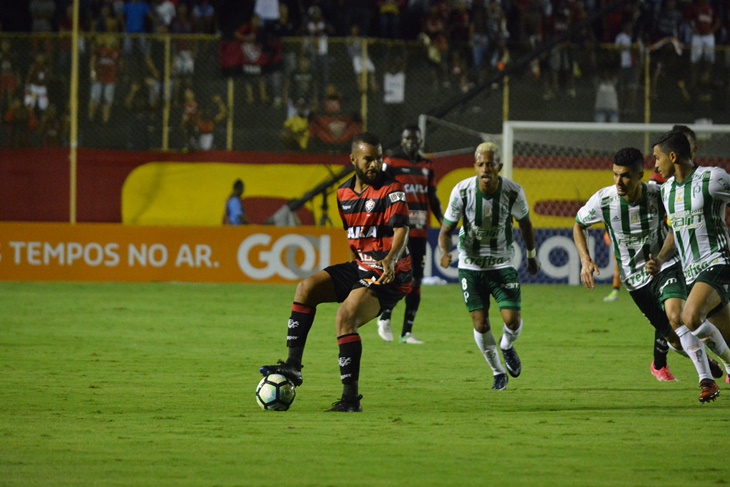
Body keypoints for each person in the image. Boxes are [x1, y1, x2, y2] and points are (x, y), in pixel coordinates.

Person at [260, 132, 413, 412]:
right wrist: (353, 273)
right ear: (353, 159)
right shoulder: (342, 194)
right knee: (306, 288)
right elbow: (354, 236)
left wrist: (391, 259)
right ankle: (293, 366)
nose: (375, 165)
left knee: (345, 317)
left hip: (391, 274)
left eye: (379, 159)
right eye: (369, 159)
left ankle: (350, 400)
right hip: (361, 266)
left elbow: (402, 229)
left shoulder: (393, 190)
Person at [574, 147, 723, 399]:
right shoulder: (604, 200)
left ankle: (706, 381)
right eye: (615, 175)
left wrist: (662, 257)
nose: (619, 182)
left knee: (677, 315)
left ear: (640, 175)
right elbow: (578, 224)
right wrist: (585, 260)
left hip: (664, 268)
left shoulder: (659, 195)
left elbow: (677, 226)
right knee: (675, 341)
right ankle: (707, 363)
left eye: (625, 176)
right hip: (635, 283)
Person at [437, 142, 540, 390]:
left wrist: (531, 254)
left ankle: (506, 345)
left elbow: (526, 225)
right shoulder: (462, 192)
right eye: (481, 164)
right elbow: (446, 230)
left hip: (502, 262)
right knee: (480, 323)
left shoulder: (513, 192)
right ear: (475, 166)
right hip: (471, 266)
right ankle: (497, 372)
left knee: (512, 320)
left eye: (490, 164)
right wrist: (444, 251)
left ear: (499, 167)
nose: (485, 169)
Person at [649, 130, 730, 386]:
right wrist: (661, 258)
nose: (654, 164)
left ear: (672, 156)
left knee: (690, 317)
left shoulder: (713, 178)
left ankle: (719, 372)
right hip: (692, 272)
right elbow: (676, 230)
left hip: (717, 261)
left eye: (657, 158)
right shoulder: (667, 191)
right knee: (725, 336)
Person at [376, 125, 443, 345]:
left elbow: (432, 197)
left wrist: (444, 223)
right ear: (402, 141)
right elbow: (378, 192)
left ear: (420, 141)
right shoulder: (392, 163)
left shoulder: (427, 166)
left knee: (416, 281)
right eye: (407, 138)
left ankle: (406, 333)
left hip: (419, 231)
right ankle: (385, 316)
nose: (412, 142)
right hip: (396, 230)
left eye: (415, 139)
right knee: (395, 275)